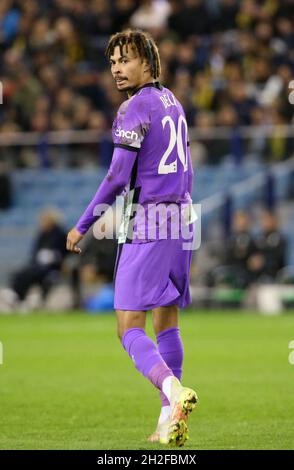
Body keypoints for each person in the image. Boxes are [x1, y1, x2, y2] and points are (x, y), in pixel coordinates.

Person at [66, 29, 197, 447]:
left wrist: (83, 223)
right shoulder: (172, 100)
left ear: (148, 62)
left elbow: (117, 177)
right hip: (183, 218)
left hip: (151, 219)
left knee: (127, 327)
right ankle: (167, 420)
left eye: (126, 60)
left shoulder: (132, 108)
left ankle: (174, 390)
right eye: (112, 62)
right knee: (167, 320)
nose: (117, 69)